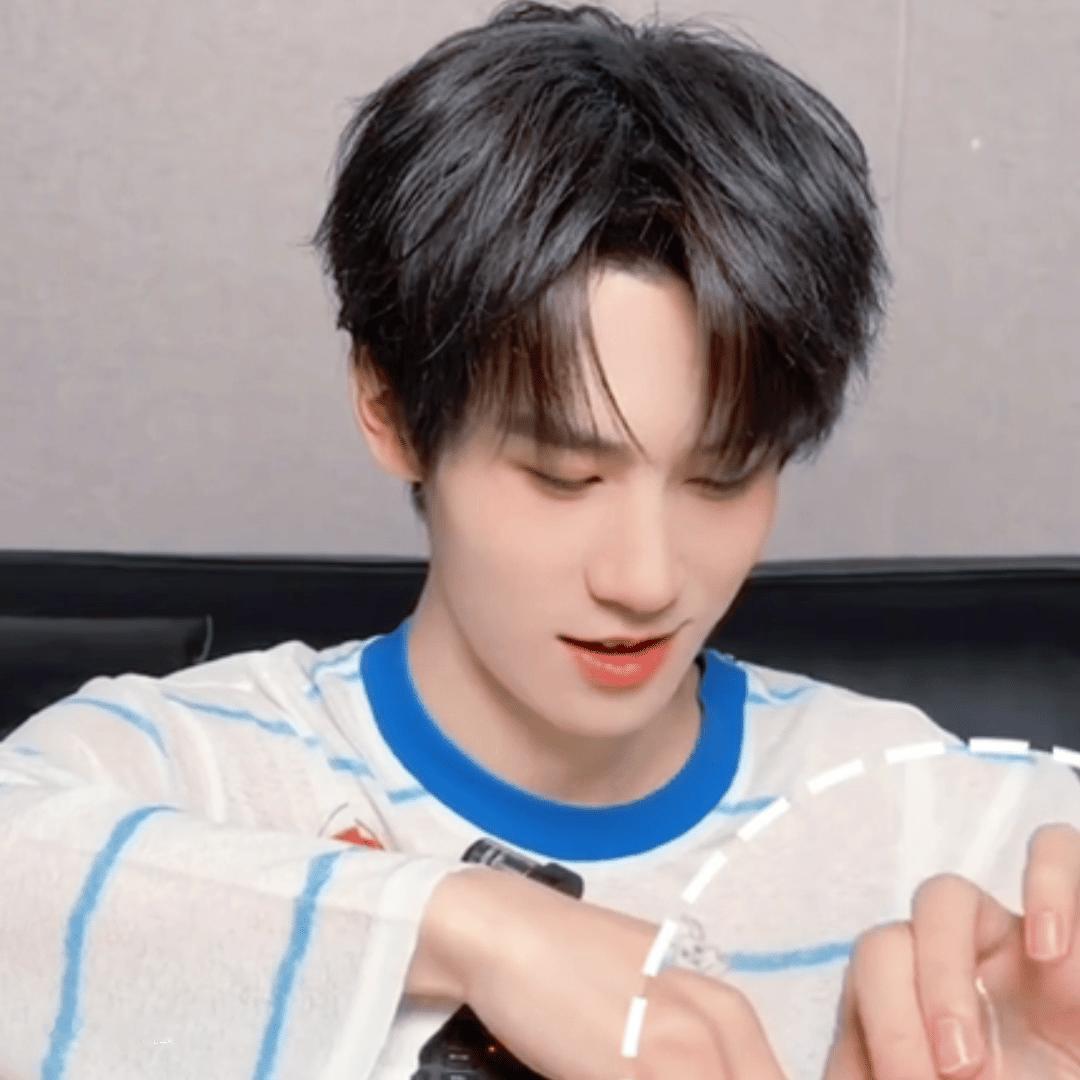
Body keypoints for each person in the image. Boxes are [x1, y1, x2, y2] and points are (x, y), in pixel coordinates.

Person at [2, 3, 1078, 1078]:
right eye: (565, 477)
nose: (645, 580)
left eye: (722, 476)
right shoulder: (191, 774)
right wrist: (471, 930)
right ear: (389, 408)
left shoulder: (944, 823)